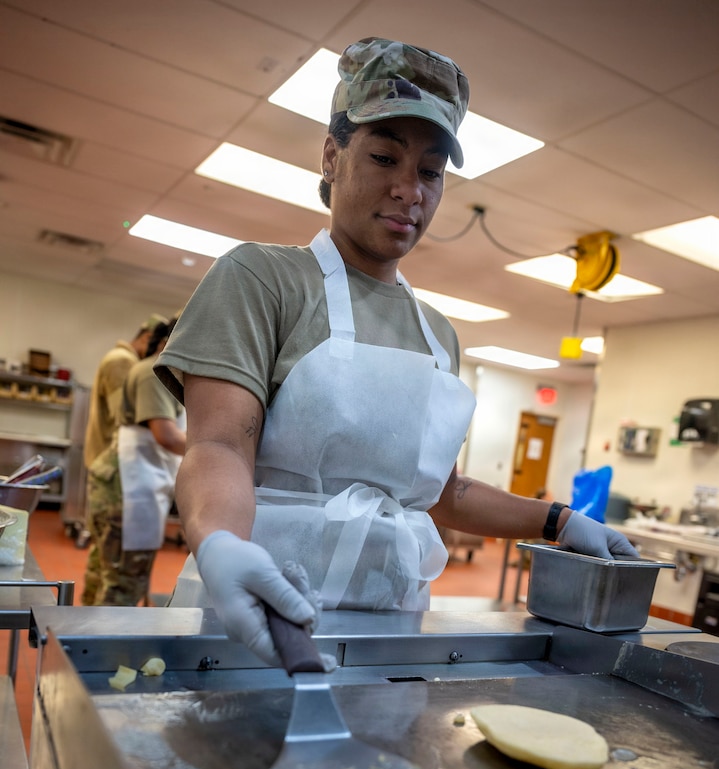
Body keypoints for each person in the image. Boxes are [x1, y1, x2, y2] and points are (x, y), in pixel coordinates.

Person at [156, 36, 638, 666]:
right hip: (255, 609)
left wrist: (559, 521)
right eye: (385, 157)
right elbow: (219, 447)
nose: (410, 190)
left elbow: (442, 492)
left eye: (431, 172)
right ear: (332, 156)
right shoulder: (261, 280)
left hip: (391, 626)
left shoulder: (438, 334)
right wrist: (220, 545)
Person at [83, 316, 186, 606]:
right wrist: (217, 446)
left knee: (106, 571)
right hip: (127, 487)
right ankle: (102, 649)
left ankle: (81, 638)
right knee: (122, 583)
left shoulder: (150, 370)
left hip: (122, 481)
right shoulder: (153, 374)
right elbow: (167, 436)